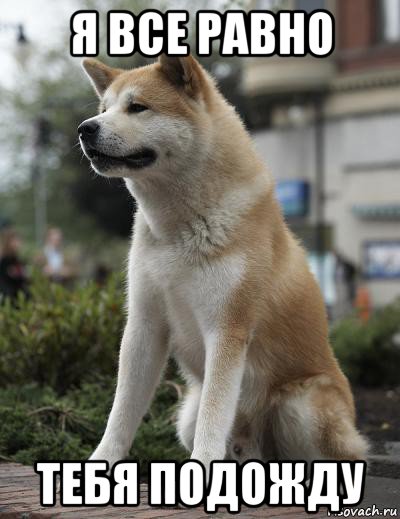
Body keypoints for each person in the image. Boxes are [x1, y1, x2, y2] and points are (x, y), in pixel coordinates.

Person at [0, 229, 28, 299]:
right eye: (16, 241)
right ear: (9, 243)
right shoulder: (5, 259)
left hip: (17, 293)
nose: (19, 243)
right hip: (9, 295)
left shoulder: (16, 258)